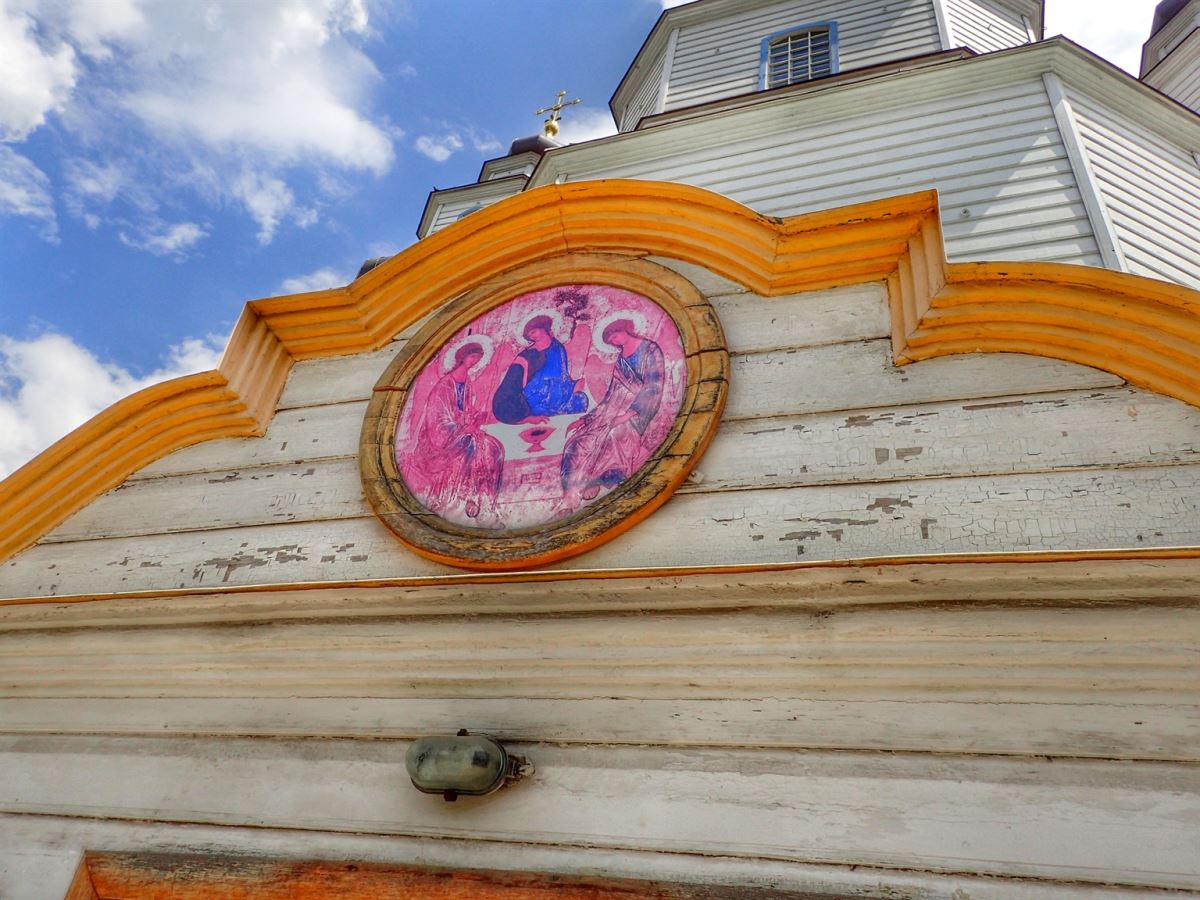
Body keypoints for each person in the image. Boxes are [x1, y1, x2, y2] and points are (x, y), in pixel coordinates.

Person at [559, 318, 665, 506]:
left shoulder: (650, 349)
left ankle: (601, 479)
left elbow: (654, 386)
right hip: (613, 409)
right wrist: (587, 419)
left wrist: (628, 414)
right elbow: (612, 393)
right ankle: (574, 488)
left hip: (637, 411)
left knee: (615, 435)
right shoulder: (621, 357)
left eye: (615, 336)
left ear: (625, 330)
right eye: (611, 341)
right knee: (577, 442)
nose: (615, 342)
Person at [407, 342, 505, 521]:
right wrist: (462, 428)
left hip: (460, 430)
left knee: (494, 446)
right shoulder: (444, 385)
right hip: (439, 438)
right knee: (471, 444)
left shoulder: (466, 382)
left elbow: (465, 410)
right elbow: (437, 420)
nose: (474, 361)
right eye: (472, 356)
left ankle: (486, 498)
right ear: (462, 357)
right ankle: (464, 495)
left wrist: (475, 418)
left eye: (478, 358)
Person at [492, 315, 589, 424]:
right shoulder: (528, 354)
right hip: (535, 393)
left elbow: (563, 374)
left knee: (580, 399)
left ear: (543, 328)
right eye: (529, 335)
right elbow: (518, 379)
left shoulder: (557, 347)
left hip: (557, 389)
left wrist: (571, 385)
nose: (532, 337)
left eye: (533, 332)